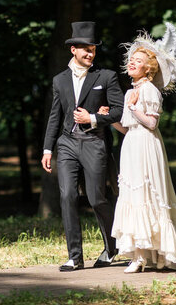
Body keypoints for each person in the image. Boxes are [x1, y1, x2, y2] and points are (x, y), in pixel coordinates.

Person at [101, 22, 176, 273]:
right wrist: (111, 119)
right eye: (131, 59)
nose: (132, 62)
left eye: (138, 60)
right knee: (133, 196)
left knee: (150, 195)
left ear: (149, 68)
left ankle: (163, 255)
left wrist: (134, 107)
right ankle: (139, 256)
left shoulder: (150, 91)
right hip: (131, 146)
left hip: (147, 147)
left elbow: (152, 123)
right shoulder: (130, 92)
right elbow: (127, 127)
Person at [42, 21, 124, 272]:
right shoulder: (60, 80)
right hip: (66, 143)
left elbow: (121, 110)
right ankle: (75, 256)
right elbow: (55, 115)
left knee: (96, 198)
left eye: (93, 50)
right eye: (86, 49)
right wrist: (47, 149)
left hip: (94, 142)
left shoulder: (106, 76)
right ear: (73, 50)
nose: (90, 54)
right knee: (67, 196)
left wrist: (95, 118)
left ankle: (112, 246)